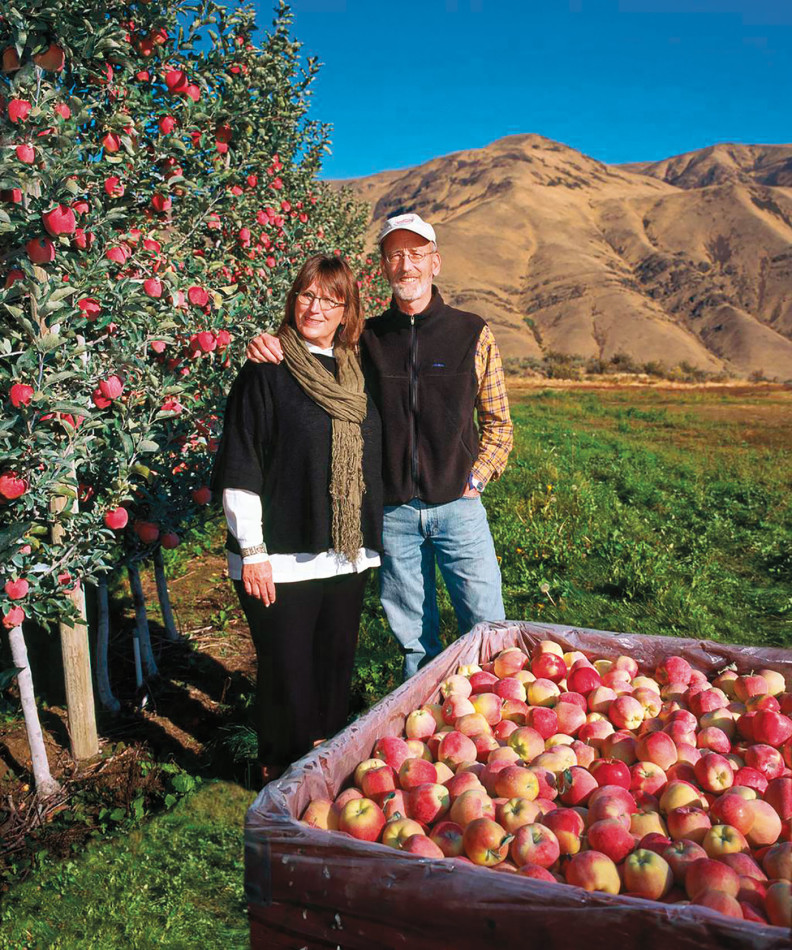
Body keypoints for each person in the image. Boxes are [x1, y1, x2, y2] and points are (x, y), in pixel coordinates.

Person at [247, 213, 513, 680]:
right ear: (384, 268)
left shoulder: (473, 333)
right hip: (392, 515)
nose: (405, 264)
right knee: (413, 640)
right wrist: (270, 343)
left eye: (415, 254)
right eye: (395, 255)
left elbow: (499, 423)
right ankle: (423, 730)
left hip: (459, 507)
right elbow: (315, 355)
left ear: (436, 263)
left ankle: (494, 720)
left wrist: (476, 477)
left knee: (487, 625)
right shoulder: (365, 340)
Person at [212, 254, 382, 784]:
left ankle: (322, 766)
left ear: (346, 310)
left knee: (333, 666)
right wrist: (253, 550)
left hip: (344, 552)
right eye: (307, 294)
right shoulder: (266, 369)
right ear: (293, 299)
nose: (316, 307)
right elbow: (242, 460)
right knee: (288, 673)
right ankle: (279, 774)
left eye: (331, 299)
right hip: (282, 554)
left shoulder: (357, 369)